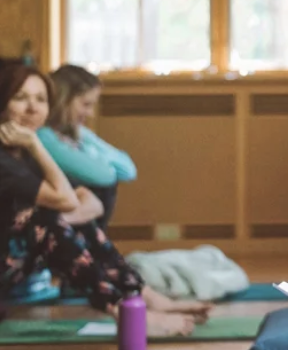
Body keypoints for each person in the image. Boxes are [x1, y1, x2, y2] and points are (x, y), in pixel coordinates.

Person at [0, 64, 209, 335]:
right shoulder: (10, 158)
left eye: (40, 99)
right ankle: (125, 312)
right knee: (46, 219)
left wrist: (58, 216)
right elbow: (67, 200)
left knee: (53, 219)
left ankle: (139, 298)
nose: (32, 108)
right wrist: (53, 213)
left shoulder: (24, 153)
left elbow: (89, 201)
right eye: (20, 98)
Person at [39, 64, 137, 228]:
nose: (90, 113)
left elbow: (128, 170)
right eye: (86, 104)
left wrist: (86, 142)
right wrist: (100, 158)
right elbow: (105, 176)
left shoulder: (77, 134)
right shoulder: (45, 138)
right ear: (63, 100)